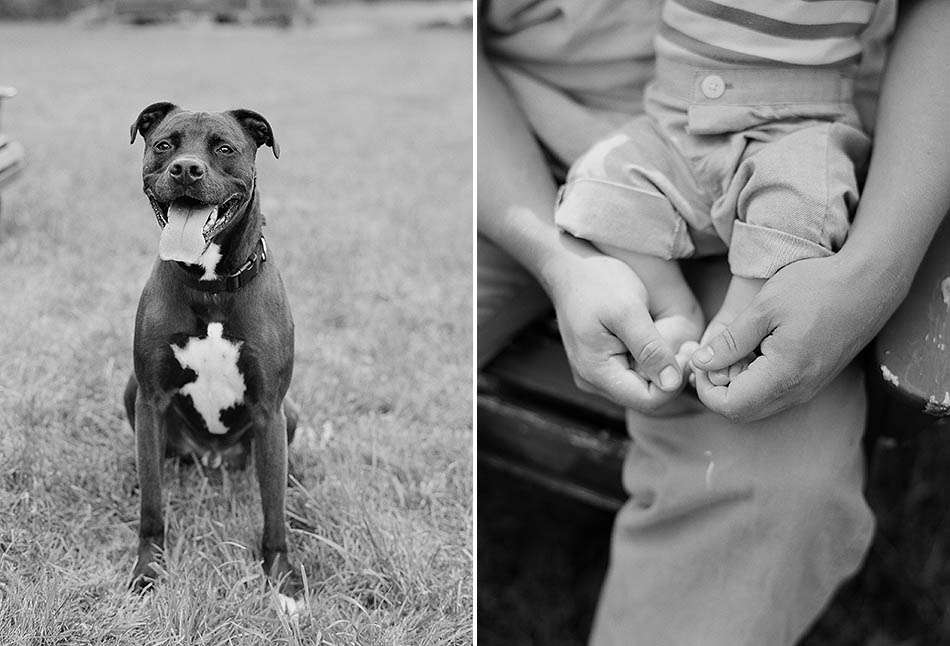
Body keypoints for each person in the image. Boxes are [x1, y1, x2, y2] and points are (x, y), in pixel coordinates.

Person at [477, 0, 950, 644]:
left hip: (789, 157)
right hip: (514, 144)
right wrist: (561, 262)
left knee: (779, 485)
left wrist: (877, 269)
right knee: (400, 335)